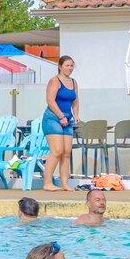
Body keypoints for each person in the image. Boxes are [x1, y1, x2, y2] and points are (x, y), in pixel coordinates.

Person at [41, 55, 78, 191]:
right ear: (60, 66)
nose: (69, 68)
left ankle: (65, 184)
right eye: (67, 65)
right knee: (57, 151)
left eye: (71, 65)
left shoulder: (74, 82)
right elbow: (50, 100)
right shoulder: (54, 81)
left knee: (67, 153)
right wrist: (61, 116)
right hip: (53, 118)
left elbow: (75, 101)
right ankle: (47, 183)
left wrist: (76, 115)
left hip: (67, 119)